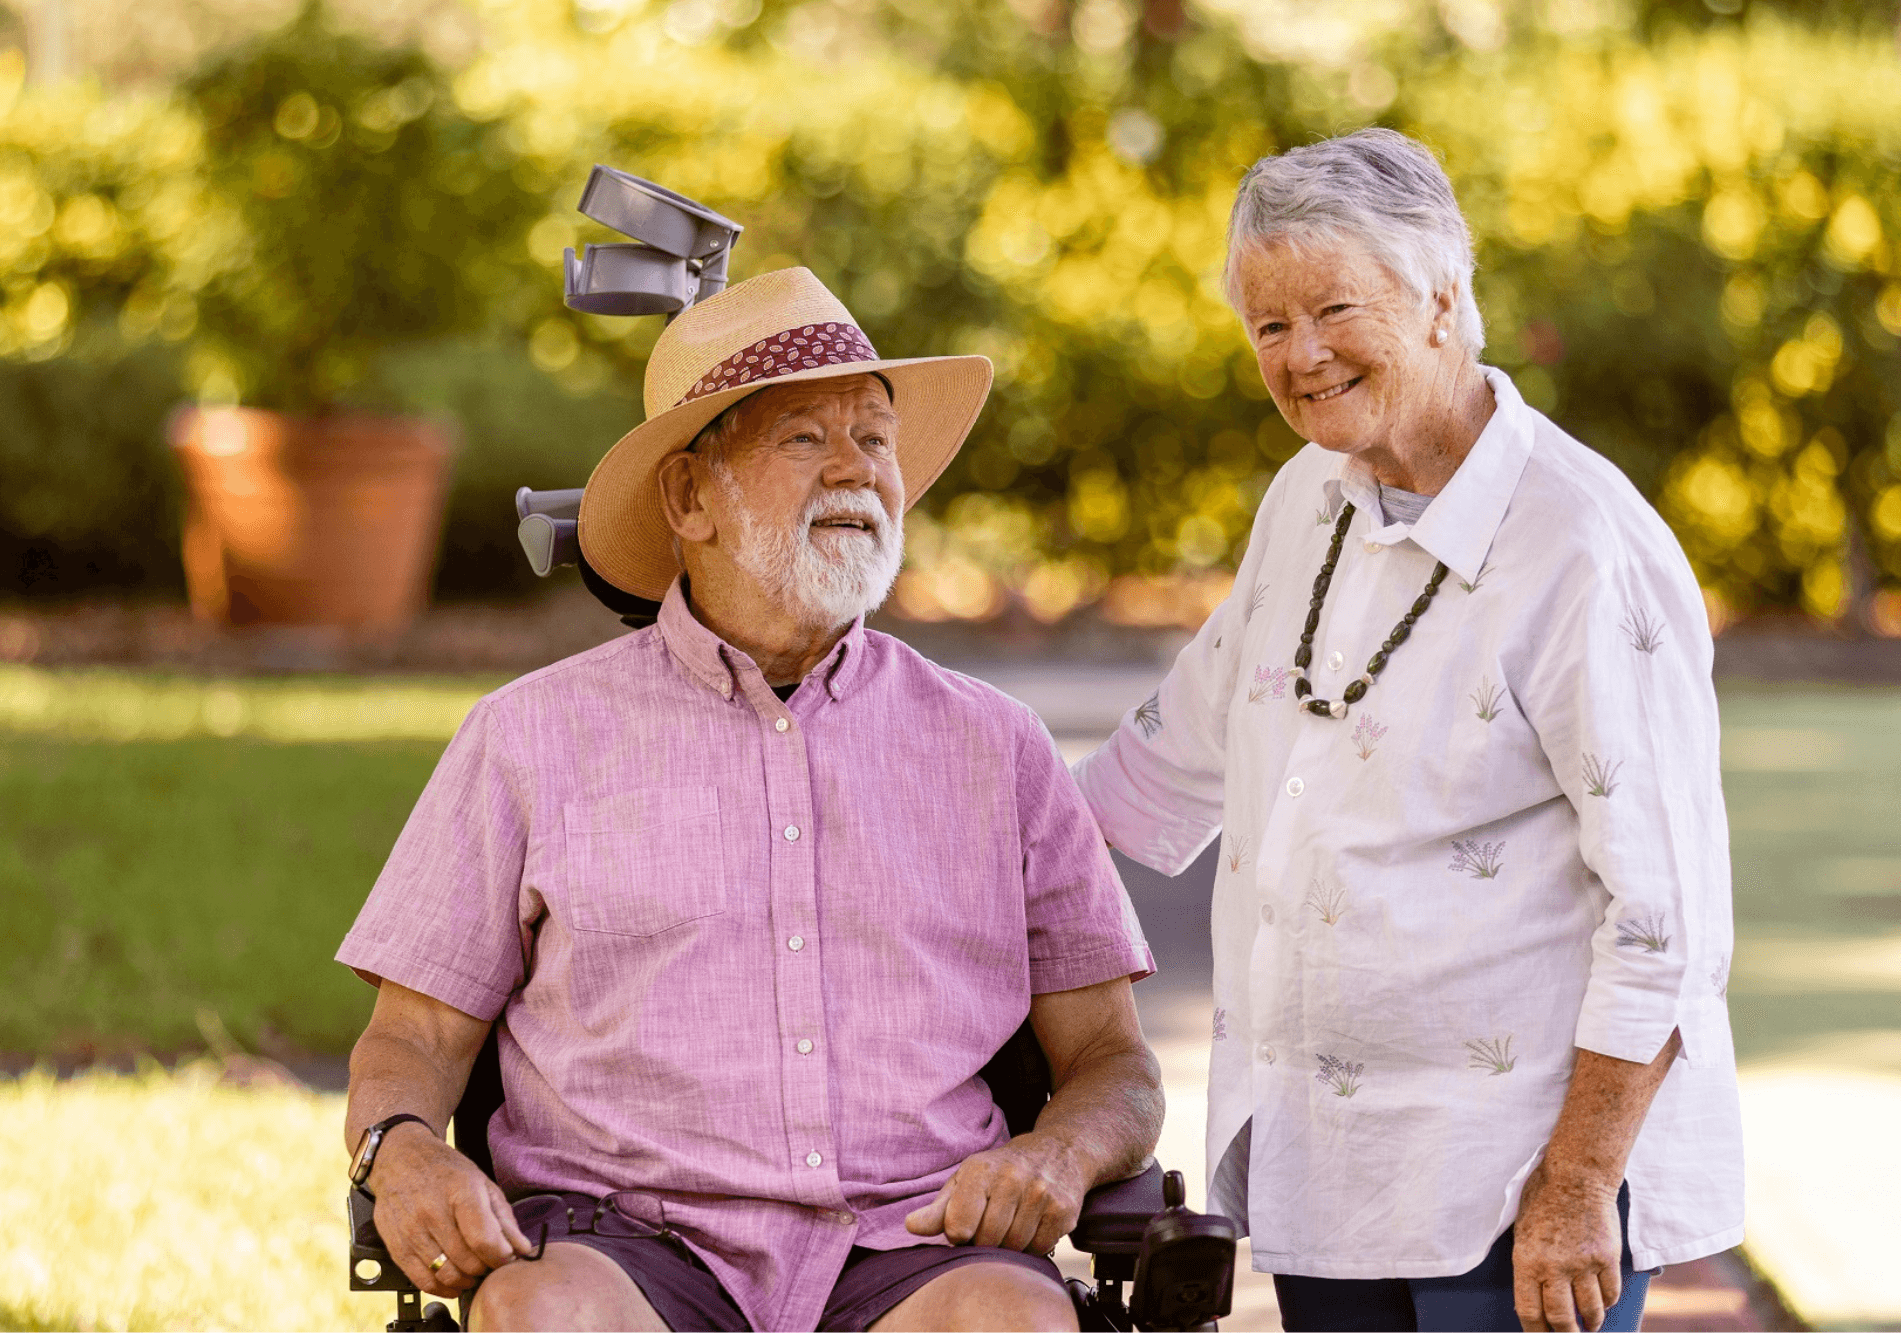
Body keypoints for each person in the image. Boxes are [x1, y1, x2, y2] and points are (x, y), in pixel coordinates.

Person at [337, 267, 1162, 1333]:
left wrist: (1059, 1151)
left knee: (1011, 1324)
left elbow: (1113, 1062)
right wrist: (399, 1152)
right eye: (805, 440)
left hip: (918, 1241)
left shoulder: (994, 745)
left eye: (874, 438)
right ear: (688, 499)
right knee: (548, 1316)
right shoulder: (528, 737)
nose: (856, 471)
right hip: (618, 1238)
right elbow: (408, 1040)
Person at [1072, 129, 1743, 1333]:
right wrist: (940, 821)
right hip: (1336, 1179)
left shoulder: (1583, 548)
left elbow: (1664, 920)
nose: (1301, 354)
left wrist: (1578, 1186)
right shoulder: (1306, 497)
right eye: (1266, 326)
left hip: (1521, 1192)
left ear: (1441, 296)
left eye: (1333, 307)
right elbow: (1171, 751)